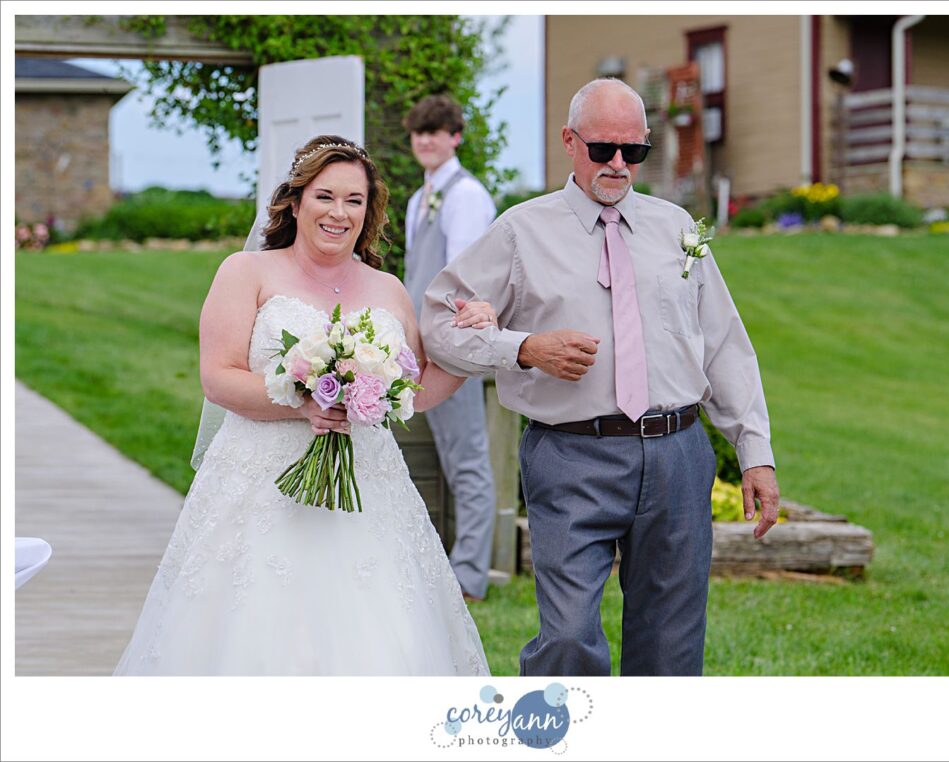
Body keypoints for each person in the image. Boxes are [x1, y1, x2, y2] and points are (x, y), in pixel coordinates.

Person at [420, 79, 781, 677]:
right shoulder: (520, 232)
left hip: (678, 456)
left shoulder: (677, 231)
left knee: (671, 646)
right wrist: (525, 348)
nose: (618, 164)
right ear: (569, 141)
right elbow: (439, 320)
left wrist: (755, 452)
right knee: (567, 638)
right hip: (571, 455)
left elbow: (723, 346)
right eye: (602, 149)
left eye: (633, 151)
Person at [115, 135, 497, 676]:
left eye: (354, 201)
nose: (339, 213)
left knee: (382, 642)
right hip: (258, 487)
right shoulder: (245, 273)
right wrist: (301, 404)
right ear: (295, 203)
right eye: (325, 196)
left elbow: (410, 392)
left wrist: (465, 347)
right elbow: (218, 377)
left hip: (366, 488)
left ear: (369, 211)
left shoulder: (389, 289)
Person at [403, 94, 498, 601]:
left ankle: (470, 575)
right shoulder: (421, 198)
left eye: (436, 131)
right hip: (419, 348)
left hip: (452, 349)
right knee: (440, 458)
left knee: (467, 460)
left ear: (456, 136)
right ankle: (441, 564)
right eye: (419, 132)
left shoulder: (466, 196)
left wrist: (450, 348)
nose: (426, 140)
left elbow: (465, 276)